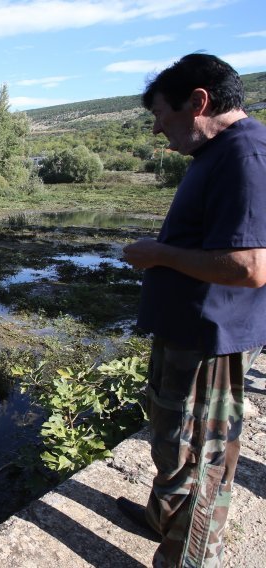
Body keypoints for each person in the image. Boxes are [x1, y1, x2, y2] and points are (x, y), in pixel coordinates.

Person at [121, 53, 266, 567]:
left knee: (198, 462)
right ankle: (165, 518)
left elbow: (250, 266)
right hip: (190, 335)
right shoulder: (219, 154)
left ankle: (188, 555)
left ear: (199, 101)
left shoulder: (244, 154)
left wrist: (157, 254)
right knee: (172, 443)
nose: (158, 128)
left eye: (163, 114)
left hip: (210, 342)